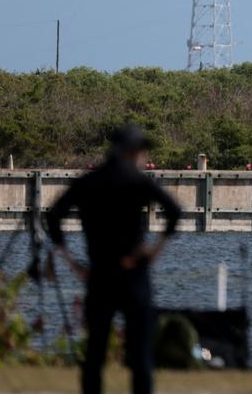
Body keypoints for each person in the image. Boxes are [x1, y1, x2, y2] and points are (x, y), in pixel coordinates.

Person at [46, 125, 182, 394]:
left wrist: (71, 261)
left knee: (95, 351)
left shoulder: (88, 181)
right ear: (133, 152)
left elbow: (53, 216)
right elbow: (174, 211)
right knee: (141, 354)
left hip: (99, 273)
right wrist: (154, 251)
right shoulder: (138, 181)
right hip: (133, 271)